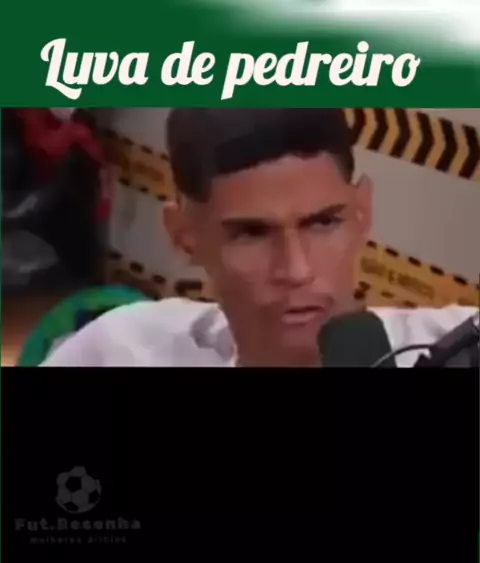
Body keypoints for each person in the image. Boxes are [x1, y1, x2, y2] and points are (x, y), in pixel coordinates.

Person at [41, 108, 477, 368]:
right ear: (184, 236)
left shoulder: (460, 347)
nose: (296, 269)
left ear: (362, 213)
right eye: (251, 233)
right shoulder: (122, 351)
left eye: (324, 223)